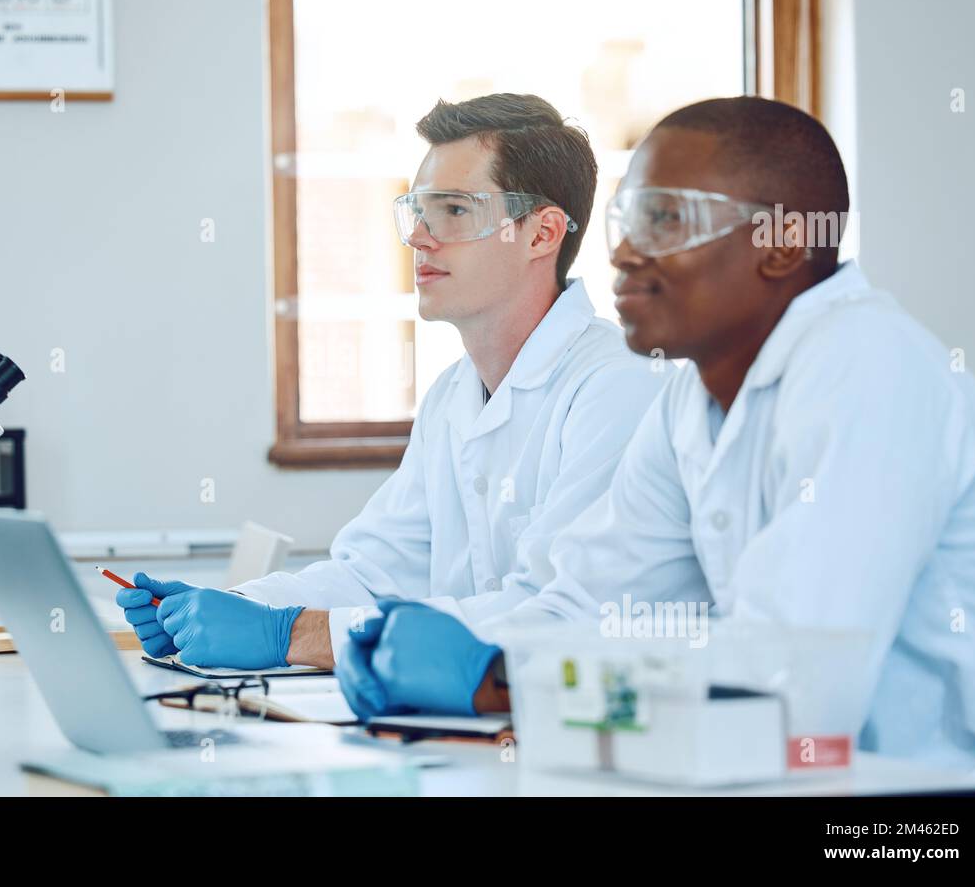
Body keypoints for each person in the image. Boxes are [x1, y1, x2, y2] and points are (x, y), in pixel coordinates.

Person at [336, 96, 975, 775]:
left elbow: (793, 684)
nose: (625, 253)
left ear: (781, 243)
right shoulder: (689, 399)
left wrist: (494, 677)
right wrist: (461, 650)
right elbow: (588, 603)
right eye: (627, 221)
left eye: (666, 220)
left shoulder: (867, 364)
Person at [117, 93, 668, 670]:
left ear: (541, 234)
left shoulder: (619, 389)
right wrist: (228, 608)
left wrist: (289, 635)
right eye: (419, 211)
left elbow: (555, 615)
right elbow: (373, 573)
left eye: (455, 210)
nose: (419, 238)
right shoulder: (453, 396)